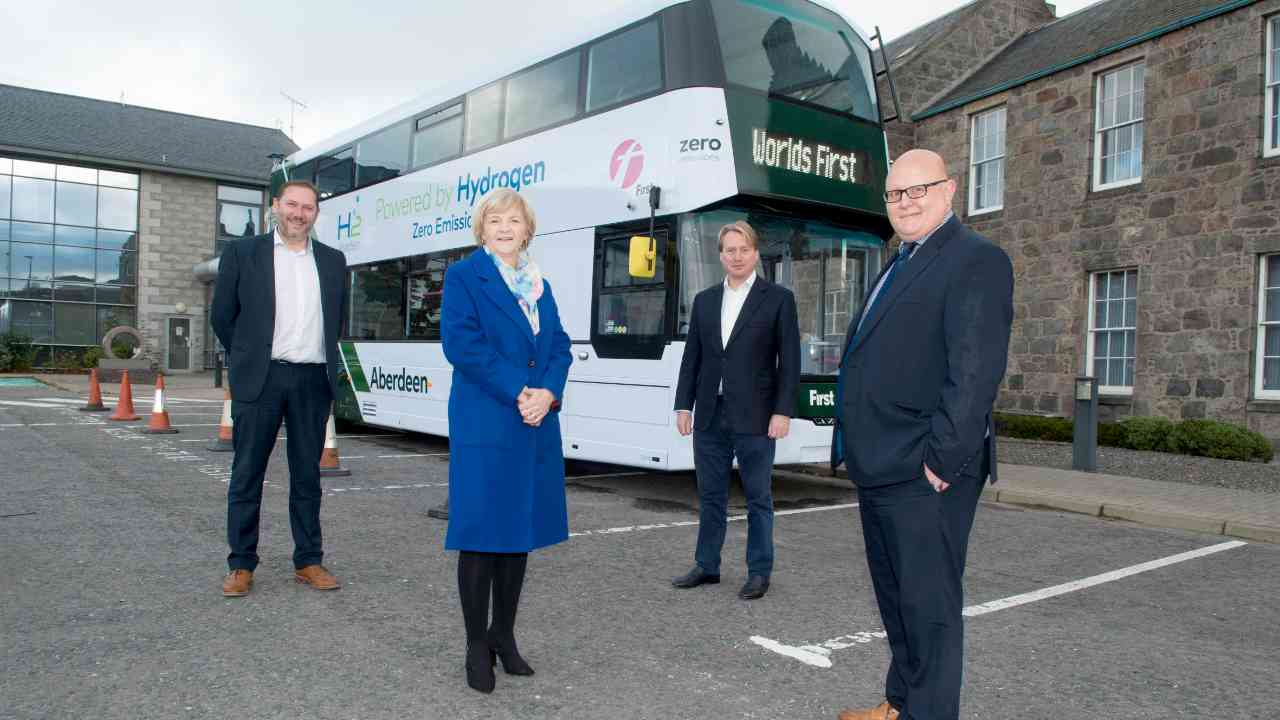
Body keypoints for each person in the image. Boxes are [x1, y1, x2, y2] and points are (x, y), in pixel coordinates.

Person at [832, 149, 1013, 720]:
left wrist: (941, 462)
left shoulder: (975, 260)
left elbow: (974, 373)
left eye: (919, 191)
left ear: (950, 190)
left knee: (929, 612)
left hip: (925, 470)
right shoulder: (902, 259)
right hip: (881, 462)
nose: (906, 203)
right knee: (897, 601)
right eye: (895, 194)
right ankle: (900, 705)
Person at [441, 187, 572, 694]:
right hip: (488, 421)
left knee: (517, 534)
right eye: (494, 219)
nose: (503, 227)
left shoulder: (540, 284)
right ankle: (476, 644)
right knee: (480, 536)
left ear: (527, 229)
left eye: (512, 220)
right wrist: (522, 389)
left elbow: (559, 346)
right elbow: (463, 346)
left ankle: (503, 635)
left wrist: (550, 394)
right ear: (482, 228)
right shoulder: (463, 277)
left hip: (535, 421)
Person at [210, 180, 349, 597]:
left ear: (315, 214)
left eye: (308, 207)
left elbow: (335, 319)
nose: (299, 213)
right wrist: (249, 357)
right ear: (275, 206)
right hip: (261, 378)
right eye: (292, 204)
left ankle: (308, 560)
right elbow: (222, 316)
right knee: (247, 473)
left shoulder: (332, 260)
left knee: (307, 477)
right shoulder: (242, 253)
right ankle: (241, 564)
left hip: (311, 380)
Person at [671, 220, 800, 601]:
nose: (737, 256)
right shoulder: (705, 301)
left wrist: (783, 412)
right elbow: (692, 357)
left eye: (744, 249)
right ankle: (707, 565)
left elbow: (788, 362)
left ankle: (759, 572)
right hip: (710, 412)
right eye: (730, 250)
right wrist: (684, 404)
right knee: (711, 495)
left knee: (759, 497)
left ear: (756, 253)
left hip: (757, 417)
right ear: (721, 255)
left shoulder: (778, 299)